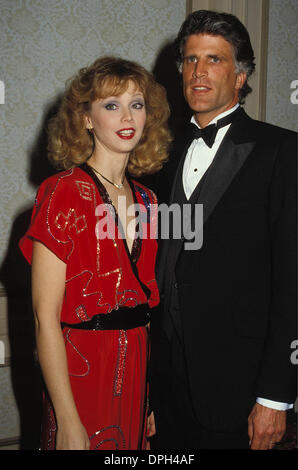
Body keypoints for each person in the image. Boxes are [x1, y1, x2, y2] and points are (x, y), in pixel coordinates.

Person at [149, 10, 297, 450]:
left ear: (241, 75)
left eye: (214, 59)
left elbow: (293, 282)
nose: (198, 72)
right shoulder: (158, 154)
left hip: (243, 388)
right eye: (191, 60)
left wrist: (276, 396)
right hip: (168, 386)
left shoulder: (283, 152)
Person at [19, 56, 171, 450]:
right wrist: (67, 419)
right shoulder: (63, 193)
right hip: (82, 369)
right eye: (111, 105)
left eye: (136, 104)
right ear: (86, 118)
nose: (127, 116)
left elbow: (148, 313)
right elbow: (44, 319)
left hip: (136, 369)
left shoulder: (150, 201)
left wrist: (150, 400)